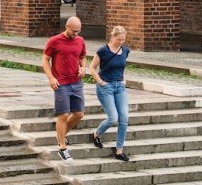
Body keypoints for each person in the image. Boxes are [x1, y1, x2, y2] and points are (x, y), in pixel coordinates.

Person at [41, 17, 88, 161]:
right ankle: (62, 147)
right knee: (63, 115)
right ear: (66, 26)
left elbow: (83, 56)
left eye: (78, 31)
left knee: (79, 114)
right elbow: (45, 59)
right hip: (61, 83)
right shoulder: (54, 41)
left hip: (76, 82)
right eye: (73, 31)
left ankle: (60, 134)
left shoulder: (80, 40)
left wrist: (83, 67)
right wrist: (51, 78)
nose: (75, 34)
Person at [90, 26, 134, 162]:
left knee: (124, 118)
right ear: (112, 37)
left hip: (119, 86)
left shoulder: (125, 51)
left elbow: (122, 67)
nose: (120, 42)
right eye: (118, 39)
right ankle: (96, 134)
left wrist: (123, 80)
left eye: (123, 39)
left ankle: (119, 151)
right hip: (106, 86)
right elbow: (92, 68)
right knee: (113, 118)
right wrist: (100, 82)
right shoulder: (103, 51)